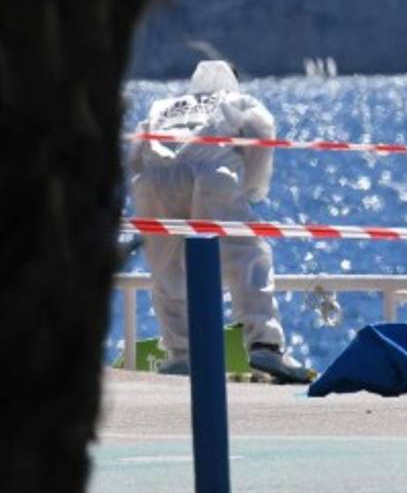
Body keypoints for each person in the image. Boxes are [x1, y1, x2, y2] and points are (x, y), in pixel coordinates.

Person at [128, 60, 308, 383]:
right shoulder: (234, 101)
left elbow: (136, 146)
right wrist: (253, 187)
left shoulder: (165, 106)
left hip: (153, 177)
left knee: (166, 265)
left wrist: (144, 191)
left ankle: (183, 354)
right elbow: (261, 129)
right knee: (247, 254)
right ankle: (264, 342)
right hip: (210, 171)